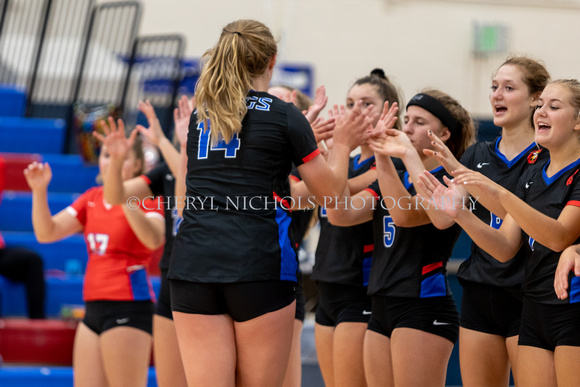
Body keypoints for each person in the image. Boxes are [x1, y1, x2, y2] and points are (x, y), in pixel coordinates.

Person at [168, 19, 375, 387]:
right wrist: (342, 143)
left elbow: (186, 202)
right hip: (257, 264)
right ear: (271, 61)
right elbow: (330, 196)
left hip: (193, 266)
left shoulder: (201, 117)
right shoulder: (283, 115)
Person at [420, 79, 580, 387]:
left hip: (570, 306)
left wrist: (500, 193)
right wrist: (461, 214)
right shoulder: (534, 172)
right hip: (534, 307)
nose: (541, 112)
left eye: (554, 107)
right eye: (541, 105)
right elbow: (506, 246)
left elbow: (560, 236)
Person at [327, 89, 475, 387]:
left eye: (419, 122)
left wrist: (401, 154)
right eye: (406, 119)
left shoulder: (454, 180)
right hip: (381, 302)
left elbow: (405, 215)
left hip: (422, 303)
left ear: (444, 133)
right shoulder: (396, 176)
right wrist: (340, 149)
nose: (407, 128)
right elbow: (340, 215)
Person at [24, 129, 165, 387]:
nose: (109, 161)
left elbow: (154, 240)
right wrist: (39, 191)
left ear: (135, 164)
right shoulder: (91, 198)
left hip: (129, 307)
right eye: (106, 155)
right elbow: (47, 232)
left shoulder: (148, 199)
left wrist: (123, 196)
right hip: (92, 311)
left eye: (117, 156)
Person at [309, 69, 401, 387]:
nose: (355, 111)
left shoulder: (389, 165)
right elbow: (300, 193)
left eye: (365, 104)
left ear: (389, 111)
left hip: (359, 291)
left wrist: (335, 151)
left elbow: (337, 193)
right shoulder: (342, 158)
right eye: (350, 103)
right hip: (327, 284)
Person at [98, 98, 192, 387]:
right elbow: (116, 196)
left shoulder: (222, 166)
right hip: (172, 281)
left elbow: (190, 188)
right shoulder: (163, 170)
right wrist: (115, 162)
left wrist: (169, 142)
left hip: (209, 279)